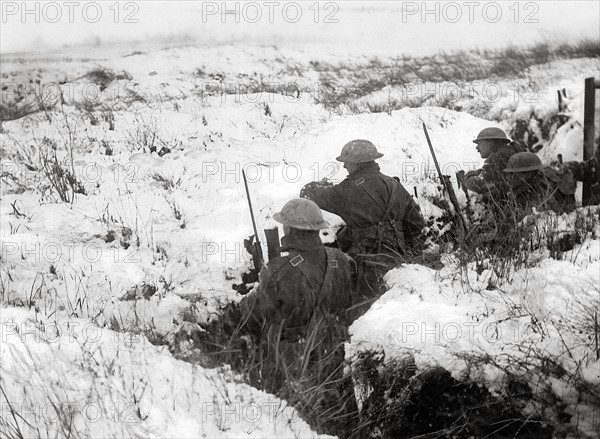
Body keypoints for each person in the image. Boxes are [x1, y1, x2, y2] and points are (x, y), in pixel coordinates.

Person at [300, 139, 425, 259]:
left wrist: (320, 185)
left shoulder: (348, 189)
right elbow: (416, 223)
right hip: (397, 259)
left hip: (363, 263)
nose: (344, 166)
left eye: (347, 162)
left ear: (358, 163)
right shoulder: (394, 185)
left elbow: (307, 194)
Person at [503, 152, 577, 214]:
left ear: (527, 174)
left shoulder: (538, 194)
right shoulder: (524, 188)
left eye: (513, 173)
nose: (508, 177)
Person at [462, 127, 524, 198]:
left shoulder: (498, 157)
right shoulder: (509, 152)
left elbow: (481, 185)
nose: (477, 148)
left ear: (490, 143)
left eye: (479, 144)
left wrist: (468, 177)